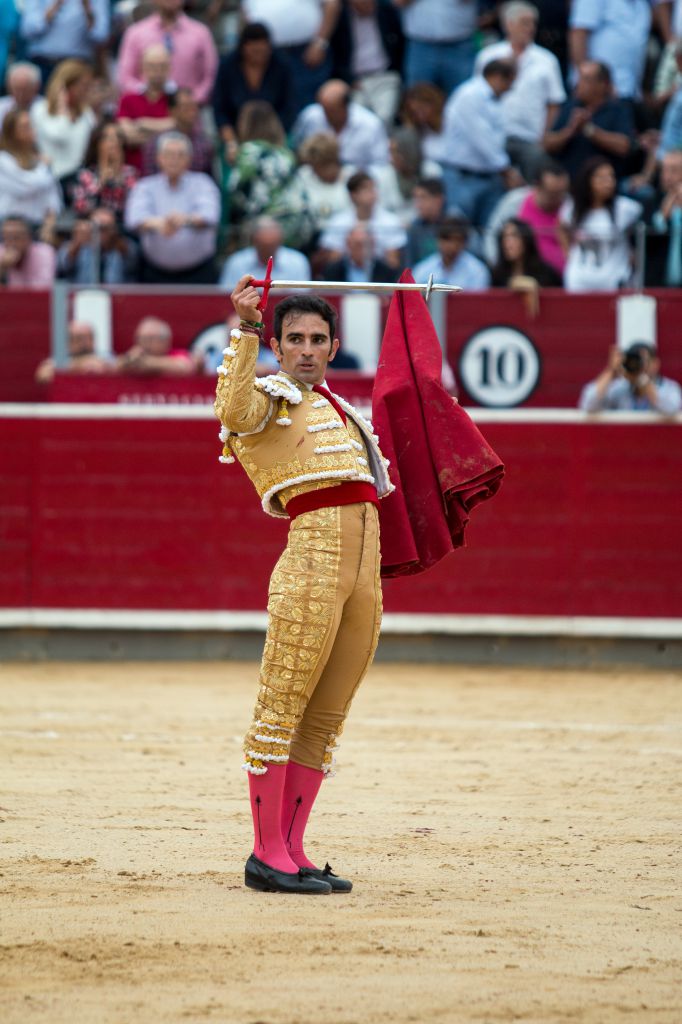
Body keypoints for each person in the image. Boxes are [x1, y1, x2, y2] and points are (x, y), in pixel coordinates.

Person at [214, 277, 393, 893]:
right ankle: (265, 854)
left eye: (318, 339)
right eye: (295, 339)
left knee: (325, 716)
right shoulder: (268, 397)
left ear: (334, 346)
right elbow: (231, 411)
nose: (308, 349)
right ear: (279, 345)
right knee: (282, 706)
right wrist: (243, 329)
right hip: (312, 562)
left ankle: (291, 848)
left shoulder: (343, 411)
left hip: (362, 571)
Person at [474, 1, 566, 182]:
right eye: (525, 22)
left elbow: (554, 103)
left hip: (531, 138)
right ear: (509, 24)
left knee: (534, 179)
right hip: (495, 136)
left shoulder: (547, 60)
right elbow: (479, 97)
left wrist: (544, 136)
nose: (530, 28)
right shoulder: (488, 56)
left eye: (533, 23)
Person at [124, 131, 220, 284]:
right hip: (154, 273)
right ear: (158, 158)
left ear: (189, 159)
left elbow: (210, 215)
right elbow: (133, 219)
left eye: (180, 154)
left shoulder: (203, 183)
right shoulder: (145, 186)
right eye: (169, 154)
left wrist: (184, 220)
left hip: (199, 273)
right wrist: (159, 224)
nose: (174, 159)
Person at [440, 59, 518, 226]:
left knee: (489, 233)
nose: (510, 89)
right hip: (463, 178)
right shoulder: (469, 95)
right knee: (458, 231)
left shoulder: (496, 101)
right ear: (497, 77)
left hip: (490, 178)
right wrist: (506, 170)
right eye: (509, 82)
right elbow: (482, 139)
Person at [227, 100, 310, 248]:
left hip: (267, 230)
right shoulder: (286, 153)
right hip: (297, 225)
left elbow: (235, 191)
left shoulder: (248, 151)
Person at [559, 156, 642, 292]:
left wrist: (632, 255)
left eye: (611, 177)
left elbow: (641, 233)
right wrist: (568, 254)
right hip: (579, 280)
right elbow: (561, 227)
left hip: (613, 280)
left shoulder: (626, 208)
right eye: (601, 178)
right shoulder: (572, 208)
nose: (608, 182)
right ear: (588, 180)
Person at [542, 61, 636, 182]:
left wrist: (590, 130)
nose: (578, 84)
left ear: (602, 84)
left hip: (604, 185)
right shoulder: (570, 107)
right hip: (567, 183)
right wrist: (570, 131)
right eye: (579, 79)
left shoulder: (618, 109)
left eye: (585, 80)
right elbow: (547, 144)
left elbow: (624, 146)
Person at [241, 0, 340, 114]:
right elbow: (246, 13)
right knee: (273, 107)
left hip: (305, 52)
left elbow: (331, 4)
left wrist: (320, 42)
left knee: (309, 109)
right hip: (268, 54)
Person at [212, 21, 295, 151]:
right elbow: (220, 109)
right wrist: (231, 142)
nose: (259, 56)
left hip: (276, 136)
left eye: (263, 50)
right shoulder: (227, 67)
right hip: (235, 137)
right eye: (254, 51)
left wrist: (277, 140)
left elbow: (290, 106)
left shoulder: (282, 66)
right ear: (244, 48)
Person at [116, 0, 218, 106]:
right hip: (144, 117)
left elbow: (211, 76)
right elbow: (125, 77)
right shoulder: (135, 34)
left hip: (188, 117)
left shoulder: (201, 34)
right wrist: (148, 96)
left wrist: (190, 101)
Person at [484, 158, 569, 273]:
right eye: (552, 193)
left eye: (561, 192)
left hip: (560, 280)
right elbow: (492, 234)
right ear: (537, 186)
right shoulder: (515, 201)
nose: (558, 198)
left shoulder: (570, 206)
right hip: (518, 275)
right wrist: (501, 270)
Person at [292, 78, 390, 170]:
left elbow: (380, 165)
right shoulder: (310, 116)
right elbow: (296, 147)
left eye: (332, 110)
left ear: (346, 106)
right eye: (324, 109)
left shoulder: (371, 124)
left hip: (356, 181)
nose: (326, 115)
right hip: (314, 179)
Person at [332, 0, 404, 125]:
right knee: (356, 121)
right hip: (356, 82)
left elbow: (400, 46)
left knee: (384, 118)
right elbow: (336, 55)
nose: (365, 5)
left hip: (385, 76)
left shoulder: (386, 11)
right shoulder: (341, 18)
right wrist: (348, 79)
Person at [318, 170, 407, 267]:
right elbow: (334, 261)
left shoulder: (391, 222)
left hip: (380, 275)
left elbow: (393, 264)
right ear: (353, 195)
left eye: (373, 189)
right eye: (366, 189)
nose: (372, 194)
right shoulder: (338, 222)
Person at [568, 0, 652, 100]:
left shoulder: (642, 5)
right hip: (597, 94)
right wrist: (584, 82)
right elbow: (578, 35)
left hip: (629, 91)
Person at [30, 58, 95, 182]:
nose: (87, 91)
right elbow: (60, 135)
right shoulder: (40, 109)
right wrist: (62, 107)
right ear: (67, 86)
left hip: (77, 178)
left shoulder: (86, 113)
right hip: (49, 178)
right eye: (83, 85)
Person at [395, 0, 478, 95]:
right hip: (420, 48)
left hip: (460, 47)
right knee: (419, 99)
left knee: (464, 98)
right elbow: (399, 2)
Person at [116, 43, 176, 173]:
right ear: (142, 68)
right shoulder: (128, 99)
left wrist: (142, 124)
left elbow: (181, 127)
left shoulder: (177, 99)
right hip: (134, 173)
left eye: (162, 66)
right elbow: (130, 137)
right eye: (152, 66)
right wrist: (165, 129)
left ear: (169, 68)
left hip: (169, 173)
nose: (157, 71)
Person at [578, 343, 682, 414]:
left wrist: (643, 380)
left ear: (656, 364)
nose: (640, 366)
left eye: (645, 361)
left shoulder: (669, 388)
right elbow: (588, 405)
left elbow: (671, 409)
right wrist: (611, 370)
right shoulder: (619, 389)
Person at [20, 0, 109, 82]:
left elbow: (100, 36)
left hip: (78, 68)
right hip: (42, 66)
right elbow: (28, 31)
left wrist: (87, 8)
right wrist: (56, 5)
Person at [0, 108, 62, 224]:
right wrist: (44, 167)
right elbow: (28, 186)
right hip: (9, 227)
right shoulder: (3, 159)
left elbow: (52, 193)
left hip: (38, 224)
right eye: (25, 126)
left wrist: (51, 220)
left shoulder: (39, 159)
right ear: (12, 132)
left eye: (31, 125)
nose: (32, 130)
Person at [218, 215, 311, 291]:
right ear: (254, 242)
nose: (268, 251)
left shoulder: (298, 262)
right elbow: (226, 297)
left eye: (272, 246)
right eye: (264, 246)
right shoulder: (236, 262)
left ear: (280, 241)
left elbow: (302, 300)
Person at [71, 120, 138, 222]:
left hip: (122, 228)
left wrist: (118, 175)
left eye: (118, 137)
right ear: (97, 143)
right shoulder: (85, 174)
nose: (114, 142)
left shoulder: (130, 173)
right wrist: (101, 181)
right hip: (94, 227)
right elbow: (80, 207)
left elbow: (135, 206)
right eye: (107, 138)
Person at [141, 87, 214, 176]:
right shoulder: (156, 144)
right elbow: (150, 181)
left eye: (194, 106)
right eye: (186, 106)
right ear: (172, 111)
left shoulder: (204, 144)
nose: (192, 111)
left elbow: (208, 180)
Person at [294, 132, 356, 234]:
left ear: (333, 162)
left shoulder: (353, 177)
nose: (314, 170)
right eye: (312, 165)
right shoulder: (303, 175)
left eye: (318, 166)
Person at [57, 208, 139, 283]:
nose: (100, 232)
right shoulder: (77, 244)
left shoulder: (121, 245)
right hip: (83, 295)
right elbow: (63, 265)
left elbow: (133, 261)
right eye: (97, 228)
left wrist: (114, 239)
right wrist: (78, 242)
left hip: (117, 296)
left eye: (105, 228)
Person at [412, 215, 491, 290]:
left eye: (457, 239)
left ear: (465, 242)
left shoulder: (478, 271)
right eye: (447, 238)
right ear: (437, 240)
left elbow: (478, 303)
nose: (452, 245)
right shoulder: (421, 271)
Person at [491, 216, 562, 290]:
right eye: (504, 237)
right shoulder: (497, 276)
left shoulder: (546, 273)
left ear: (526, 240)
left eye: (514, 236)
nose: (508, 244)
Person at [34, 319, 112, 383]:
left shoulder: (104, 356)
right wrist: (78, 366)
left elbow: (118, 366)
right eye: (78, 338)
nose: (83, 343)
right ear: (68, 341)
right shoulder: (59, 359)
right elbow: (42, 376)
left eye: (88, 338)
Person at [117, 315, 201, 375]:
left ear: (165, 341)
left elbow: (187, 367)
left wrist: (148, 363)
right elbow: (111, 366)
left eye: (149, 339)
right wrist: (128, 360)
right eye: (140, 338)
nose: (144, 344)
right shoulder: (134, 355)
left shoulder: (177, 355)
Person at [322, 223, 397, 282]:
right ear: (348, 245)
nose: (362, 250)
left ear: (373, 245)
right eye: (357, 245)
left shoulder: (387, 271)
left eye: (366, 244)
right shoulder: (333, 271)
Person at [650, 148, 682, 286]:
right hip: (658, 284)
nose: (667, 176)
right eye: (664, 170)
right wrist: (666, 209)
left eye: (674, 170)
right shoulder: (651, 202)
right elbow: (647, 240)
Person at [0, 214, 56, 286]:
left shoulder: (45, 252)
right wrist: (2, 267)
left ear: (29, 238)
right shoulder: (1, 252)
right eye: (6, 238)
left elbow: (44, 287)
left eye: (16, 237)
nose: (12, 243)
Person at [405, 176, 445, 265]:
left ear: (439, 200)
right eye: (416, 198)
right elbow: (409, 265)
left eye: (423, 198)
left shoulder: (455, 225)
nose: (418, 205)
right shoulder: (414, 228)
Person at [0, 61, 41, 129]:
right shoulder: (1, 106)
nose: (20, 95)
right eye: (16, 89)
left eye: (25, 90)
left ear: (36, 87)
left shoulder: (45, 108)